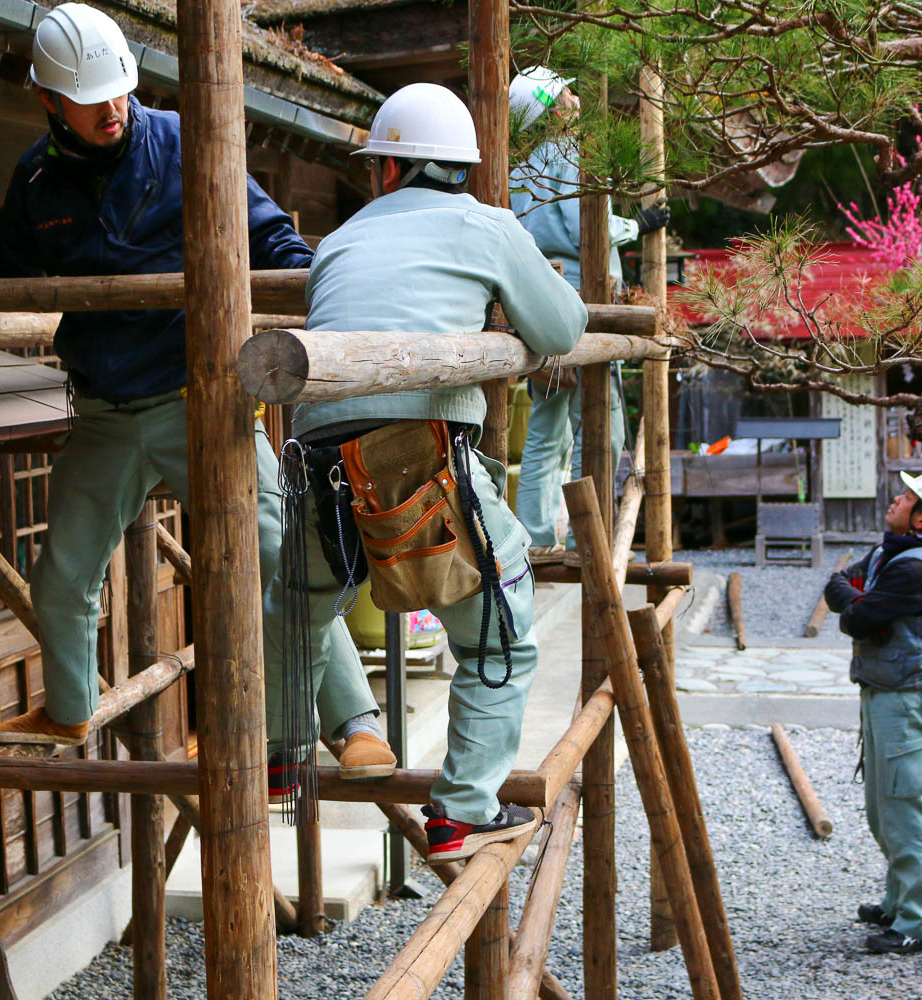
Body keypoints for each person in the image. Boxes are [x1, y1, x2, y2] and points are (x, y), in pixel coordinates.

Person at [0, 4, 384, 793]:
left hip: (201, 402)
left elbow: (272, 239)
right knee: (62, 573)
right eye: (90, 99)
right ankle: (69, 707)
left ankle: (351, 721)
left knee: (275, 558)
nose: (112, 107)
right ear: (50, 102)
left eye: (119, 90)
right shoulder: (38, 178)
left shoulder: (185, 142)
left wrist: (321, 286)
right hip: (104, 409)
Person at [278, 81, 587, 862]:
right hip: (421, 458)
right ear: (463, 168)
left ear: (385, 170)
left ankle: (282, 762)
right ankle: (459, 811)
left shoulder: (341, 239)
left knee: (300, 611)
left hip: (317, 457)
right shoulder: (486, 224)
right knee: (499, 639)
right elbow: (561, 326)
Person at [508, 66, 669, 565]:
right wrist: (635, 225)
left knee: (547, 422)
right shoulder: (567, 154)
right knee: (602, 425)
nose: (576, 100)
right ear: (554, 105)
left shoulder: (519, 167)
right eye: (566, 94)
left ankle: (534, 535)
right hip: (585, 303)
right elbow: (588, 229)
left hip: (538, 302)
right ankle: (584, 539)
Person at [825, 470, 922, 954]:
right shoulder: (889, 552)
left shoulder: (912, 569)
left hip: (904, 699)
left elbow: (853, 614)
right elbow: (839, 586)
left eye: (906, 496)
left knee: (904, 812)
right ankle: (898, 902)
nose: (895, 498)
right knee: (883, 810)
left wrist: (855, 604)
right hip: (884, 692)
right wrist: (856, 602)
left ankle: (918, 922)